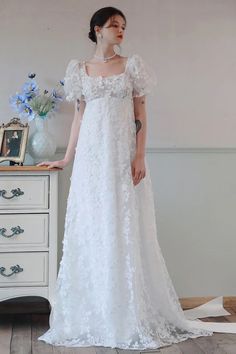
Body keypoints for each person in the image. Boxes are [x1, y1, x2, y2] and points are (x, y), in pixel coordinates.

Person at [37, 6, 218, 350]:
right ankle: (95, 312)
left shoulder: (131, 66)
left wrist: (139, 155)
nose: (121, 31)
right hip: (91, 162)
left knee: (122, 227)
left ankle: (126, 312)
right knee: (93, 228)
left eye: (123, 26)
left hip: (121, 160)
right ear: (97, 29)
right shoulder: (79, 70)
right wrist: (66, 158)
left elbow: (141, 115)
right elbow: (79, 118)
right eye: (113, 25)